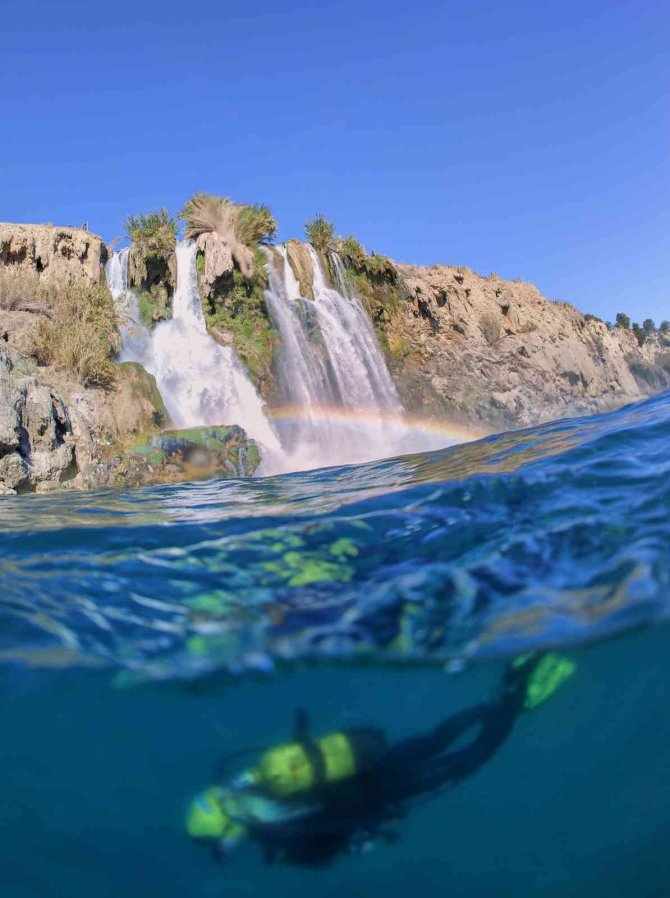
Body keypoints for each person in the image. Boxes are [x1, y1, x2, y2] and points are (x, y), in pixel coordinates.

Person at [185, 653, 575, 867]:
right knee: (437, 738)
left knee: (476, 756)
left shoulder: (273, 830)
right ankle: (498, 698)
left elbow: (327, 838)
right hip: (375, 762)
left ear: (225, 832)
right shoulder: (254, 781)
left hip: (389, 793)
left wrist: (368, 833)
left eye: (220, 844)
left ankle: (516, 693)